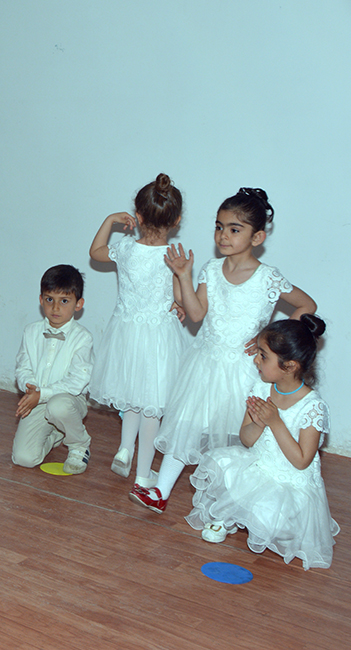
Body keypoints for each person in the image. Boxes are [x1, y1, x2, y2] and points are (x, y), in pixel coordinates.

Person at [131, 188, 317, 513]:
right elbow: (196, 313)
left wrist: (268, 336)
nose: (223, 235)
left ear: (257, 237)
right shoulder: (211, 270)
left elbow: (307, 305)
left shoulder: (267, 278)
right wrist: (183, 276)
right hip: (204, 363)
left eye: (234, 229)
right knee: (187, 422)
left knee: (237, 434)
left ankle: (231, 503)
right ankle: (161, 491)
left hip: (244, 370)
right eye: (219, 227)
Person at [185, 316, 339, 570]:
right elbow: (246, 439)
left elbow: (302, 461)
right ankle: (229, 515)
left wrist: (275, 422)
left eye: (263, 356)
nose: (256, 360)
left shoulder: (313, 407)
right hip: (259, 465)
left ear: (289, 366)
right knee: (221, 464)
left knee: (267, 515)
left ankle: (240, 514)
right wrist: (258, 423)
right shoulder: (261, 387)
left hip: (290, 481)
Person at [88, 173, 185, 488]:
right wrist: (179, 302)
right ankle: (143, 475)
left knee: (132, 396)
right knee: (151, 405)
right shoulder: (173, 257)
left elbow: (96, 252)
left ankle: (125, 449)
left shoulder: (126, 248)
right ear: (177, 221)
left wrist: (109, 221)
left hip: (126, 333)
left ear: (138, 216)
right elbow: (179, 296)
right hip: (159, 338)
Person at [11, 265, 94, 473]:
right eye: (50, 299)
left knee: (58, 406)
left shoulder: (83, 338)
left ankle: (79, 445)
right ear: (41, 300)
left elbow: (77, 382)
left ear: (79, 304)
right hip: (37, 400)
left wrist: (42, 394)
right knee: (23, 458)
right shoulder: (31, 331)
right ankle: (57, 433)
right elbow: (22, 367)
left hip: (69, 400)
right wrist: (31, 388)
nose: (55, 308)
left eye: (64, 301)